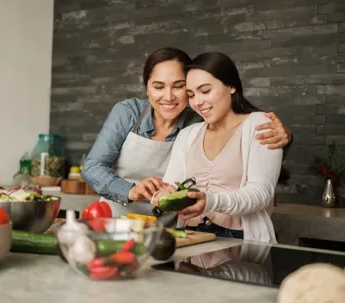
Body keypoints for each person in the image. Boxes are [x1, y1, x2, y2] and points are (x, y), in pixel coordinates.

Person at [81, 47, 292, 226]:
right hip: (113, 220)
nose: (168, 96)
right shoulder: (128, 113)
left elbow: (240, 141)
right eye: (158, 86)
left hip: (167, 228)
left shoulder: (199, 121)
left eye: (179, 86)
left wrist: (285, 138)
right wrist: (131, 190)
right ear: (147, 88)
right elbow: (92, 167)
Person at [151, 51, 284, 241]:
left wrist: (211, 202)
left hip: (240, 239)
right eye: (191, 94)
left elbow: (260, 194)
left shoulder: (259, 125)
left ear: (231, 85)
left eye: (205, 91)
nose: (197, 102)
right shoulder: (188, 135)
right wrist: (161, 194)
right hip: (192, 238)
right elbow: (171, 184)